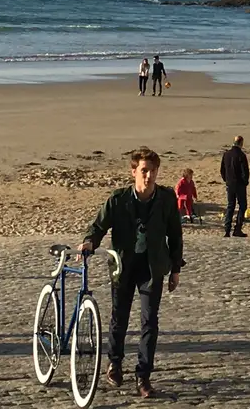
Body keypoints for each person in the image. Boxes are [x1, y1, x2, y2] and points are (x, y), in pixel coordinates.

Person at [81, 148, 185, 398]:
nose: (148, 176)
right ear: (134, 172)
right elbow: (98, 226)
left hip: (152, 268)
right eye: (144, 171)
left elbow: (175, 234)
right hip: (124, 267)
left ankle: (143, 376)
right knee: (120, 318)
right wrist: (89, 242)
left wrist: (175, 269)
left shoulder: (166, 199)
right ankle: (114, 363)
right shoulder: (118, 200)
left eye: (153, 171)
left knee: (150, 321)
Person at [219, 135, 250, 237]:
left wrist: (226, 180)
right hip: (239, 184)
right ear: (241, 143)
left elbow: (222, 170)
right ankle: (237, 228)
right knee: (242, 205)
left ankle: (227, 229)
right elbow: (245, 171)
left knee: (230, 205)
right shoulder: (241, 155)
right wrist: (245, 182)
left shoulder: (226, 154)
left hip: (230, 184)